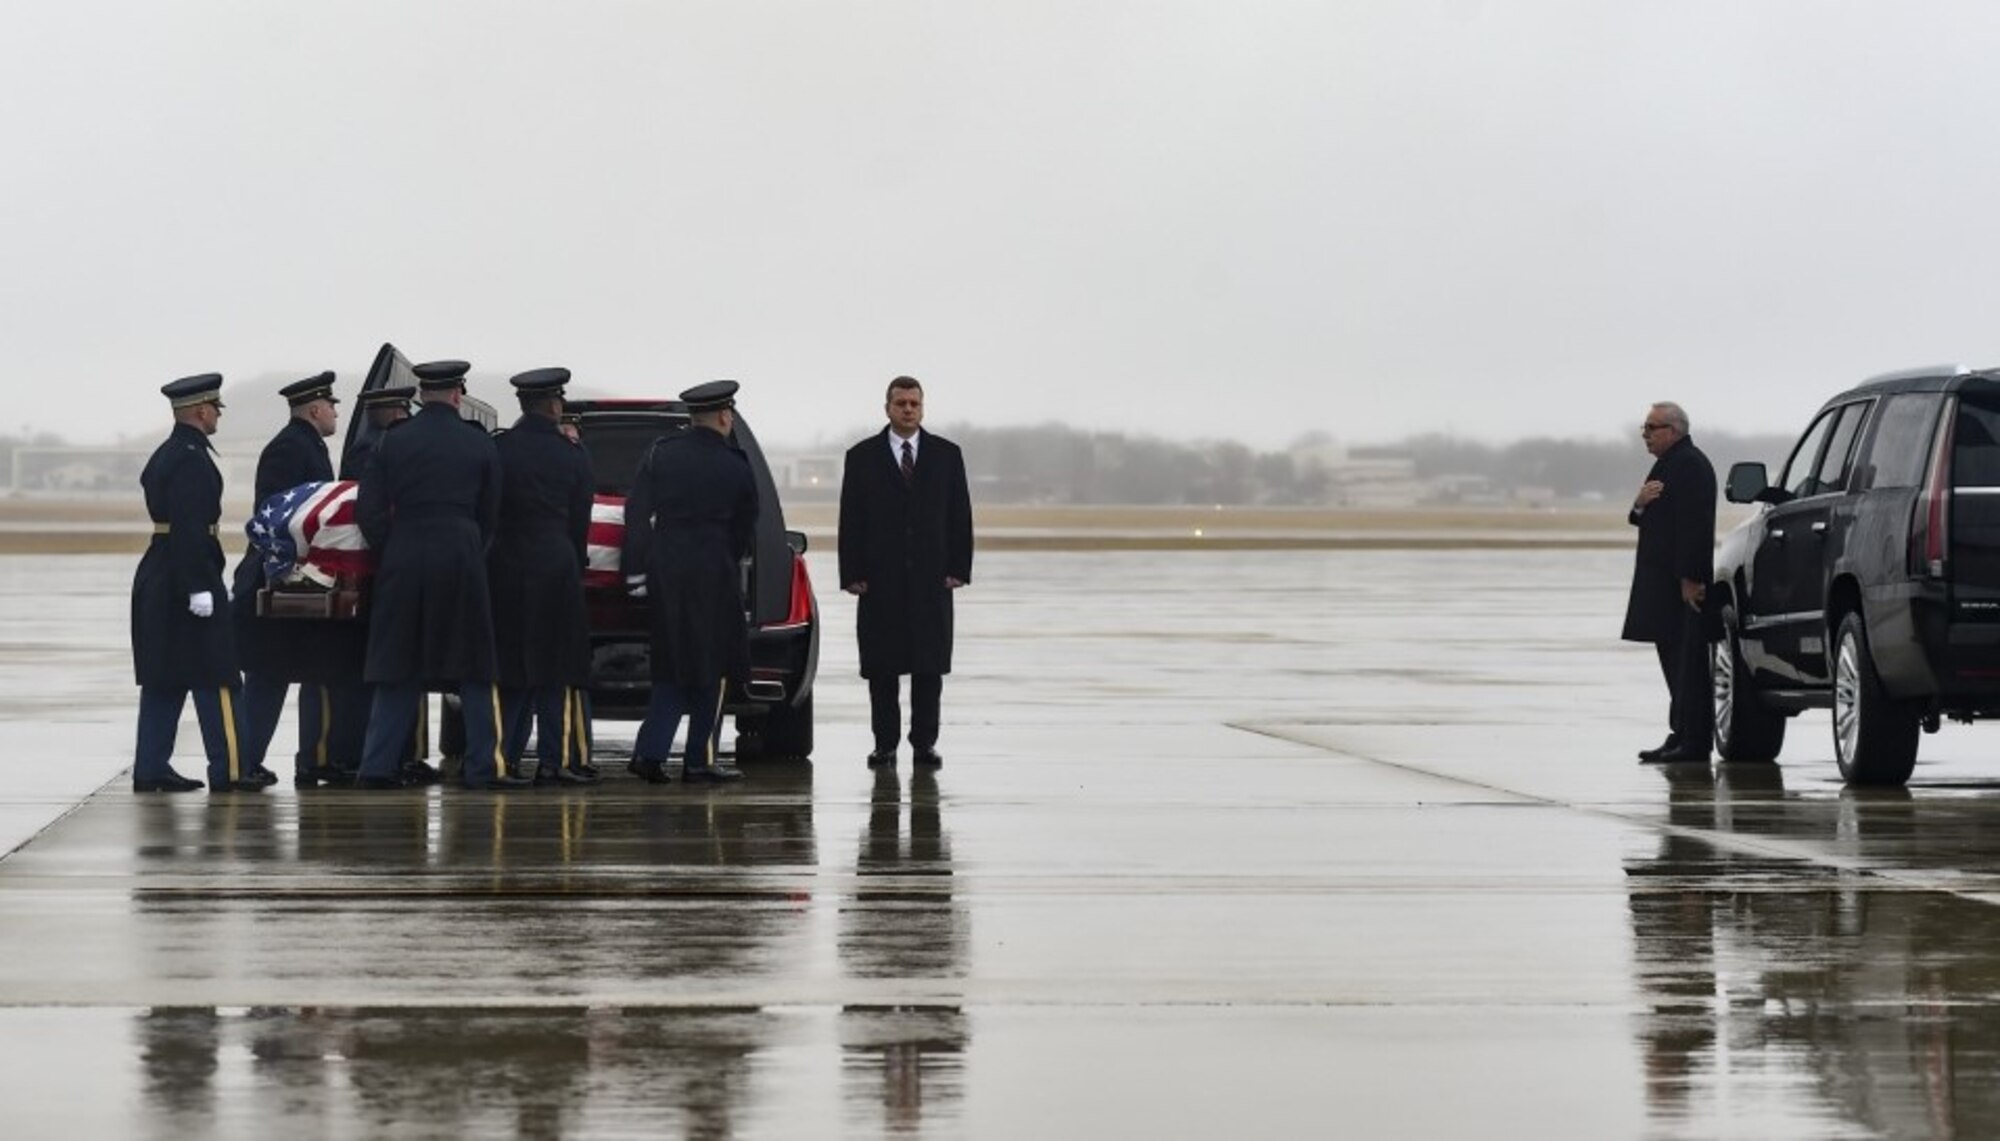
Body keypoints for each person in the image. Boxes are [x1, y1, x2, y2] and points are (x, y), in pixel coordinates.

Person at [352, 360, 528, 790]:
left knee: (397, 664)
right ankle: (483, 766)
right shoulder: (478, 442)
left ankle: (375, 767)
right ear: (457, 394)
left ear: (419, 395)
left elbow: (368, 509)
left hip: (405, 553)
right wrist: (472, 544)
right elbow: (492, 509)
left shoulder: (392, 441)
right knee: (475, 667)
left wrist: (391, 546)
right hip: (461, 553)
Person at [620, 380, 758, 784]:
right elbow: (744, 526)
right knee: (712, 667)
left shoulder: (661, 455)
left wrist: (638, 568)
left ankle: (650, 752)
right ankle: (700, 759)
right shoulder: (736, 465)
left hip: (666, 570)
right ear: (723, 416)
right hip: (714, 572)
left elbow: (636, 512)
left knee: (671, 663)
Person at [838, 376, 973, 770]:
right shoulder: (861, 456)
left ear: (923, 407)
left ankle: (924, 744)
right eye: (901, 403)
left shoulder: (947, 455)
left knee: (928, 669)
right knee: (882, 669)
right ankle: (885, 745)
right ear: (888, 408)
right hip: (880, 582)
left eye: (914, 403)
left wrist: (958, 568)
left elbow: (960, 516)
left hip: (932, 581)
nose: (908, 409)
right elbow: (851, 519)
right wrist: (852, 573)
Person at [131, 373, 254, 793]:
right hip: (185, 573)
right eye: (215, 408)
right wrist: (198, 586)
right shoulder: (190, 458)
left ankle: (150, 767)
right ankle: (231, 769)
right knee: (217, 673)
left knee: (165, 676)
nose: (217, 414)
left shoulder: (170, 452)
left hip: (162, 572)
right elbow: (189, 528)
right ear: (201, 411)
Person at [231, 372, 342, 788]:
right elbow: (276, 516)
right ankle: (243, 762)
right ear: (315, 409)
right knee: (268, 674)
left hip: (301, 576)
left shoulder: (306, 445)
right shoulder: (288, 448)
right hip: (278, 576)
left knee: (307, 668)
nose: (334, 413)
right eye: (331, 406)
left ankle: (308, 759)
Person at [490, 367, 597, 784]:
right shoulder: (571, 454)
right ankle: (553, 762)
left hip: (507, 567)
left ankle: (507, 758)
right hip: (555, 565)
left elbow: (489, 510)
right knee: (557, 667)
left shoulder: (500, 450)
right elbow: (581, 519)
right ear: (555, 405)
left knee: (512, 668)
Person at [1623, 401, 1718, 764]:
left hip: (1681, 586)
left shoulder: (1689, 465)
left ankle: (1694, 741)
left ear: (1674, 430)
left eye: (1652, 428)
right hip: (1662, 583)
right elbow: (1643, 517)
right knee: (1673, 660)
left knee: (1688, 663)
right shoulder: (1668, 464)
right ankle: (1680, 732)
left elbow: (1694, 528)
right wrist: (1639, 502)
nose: (1645, 435)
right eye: (1644, 428)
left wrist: (1690, 578)